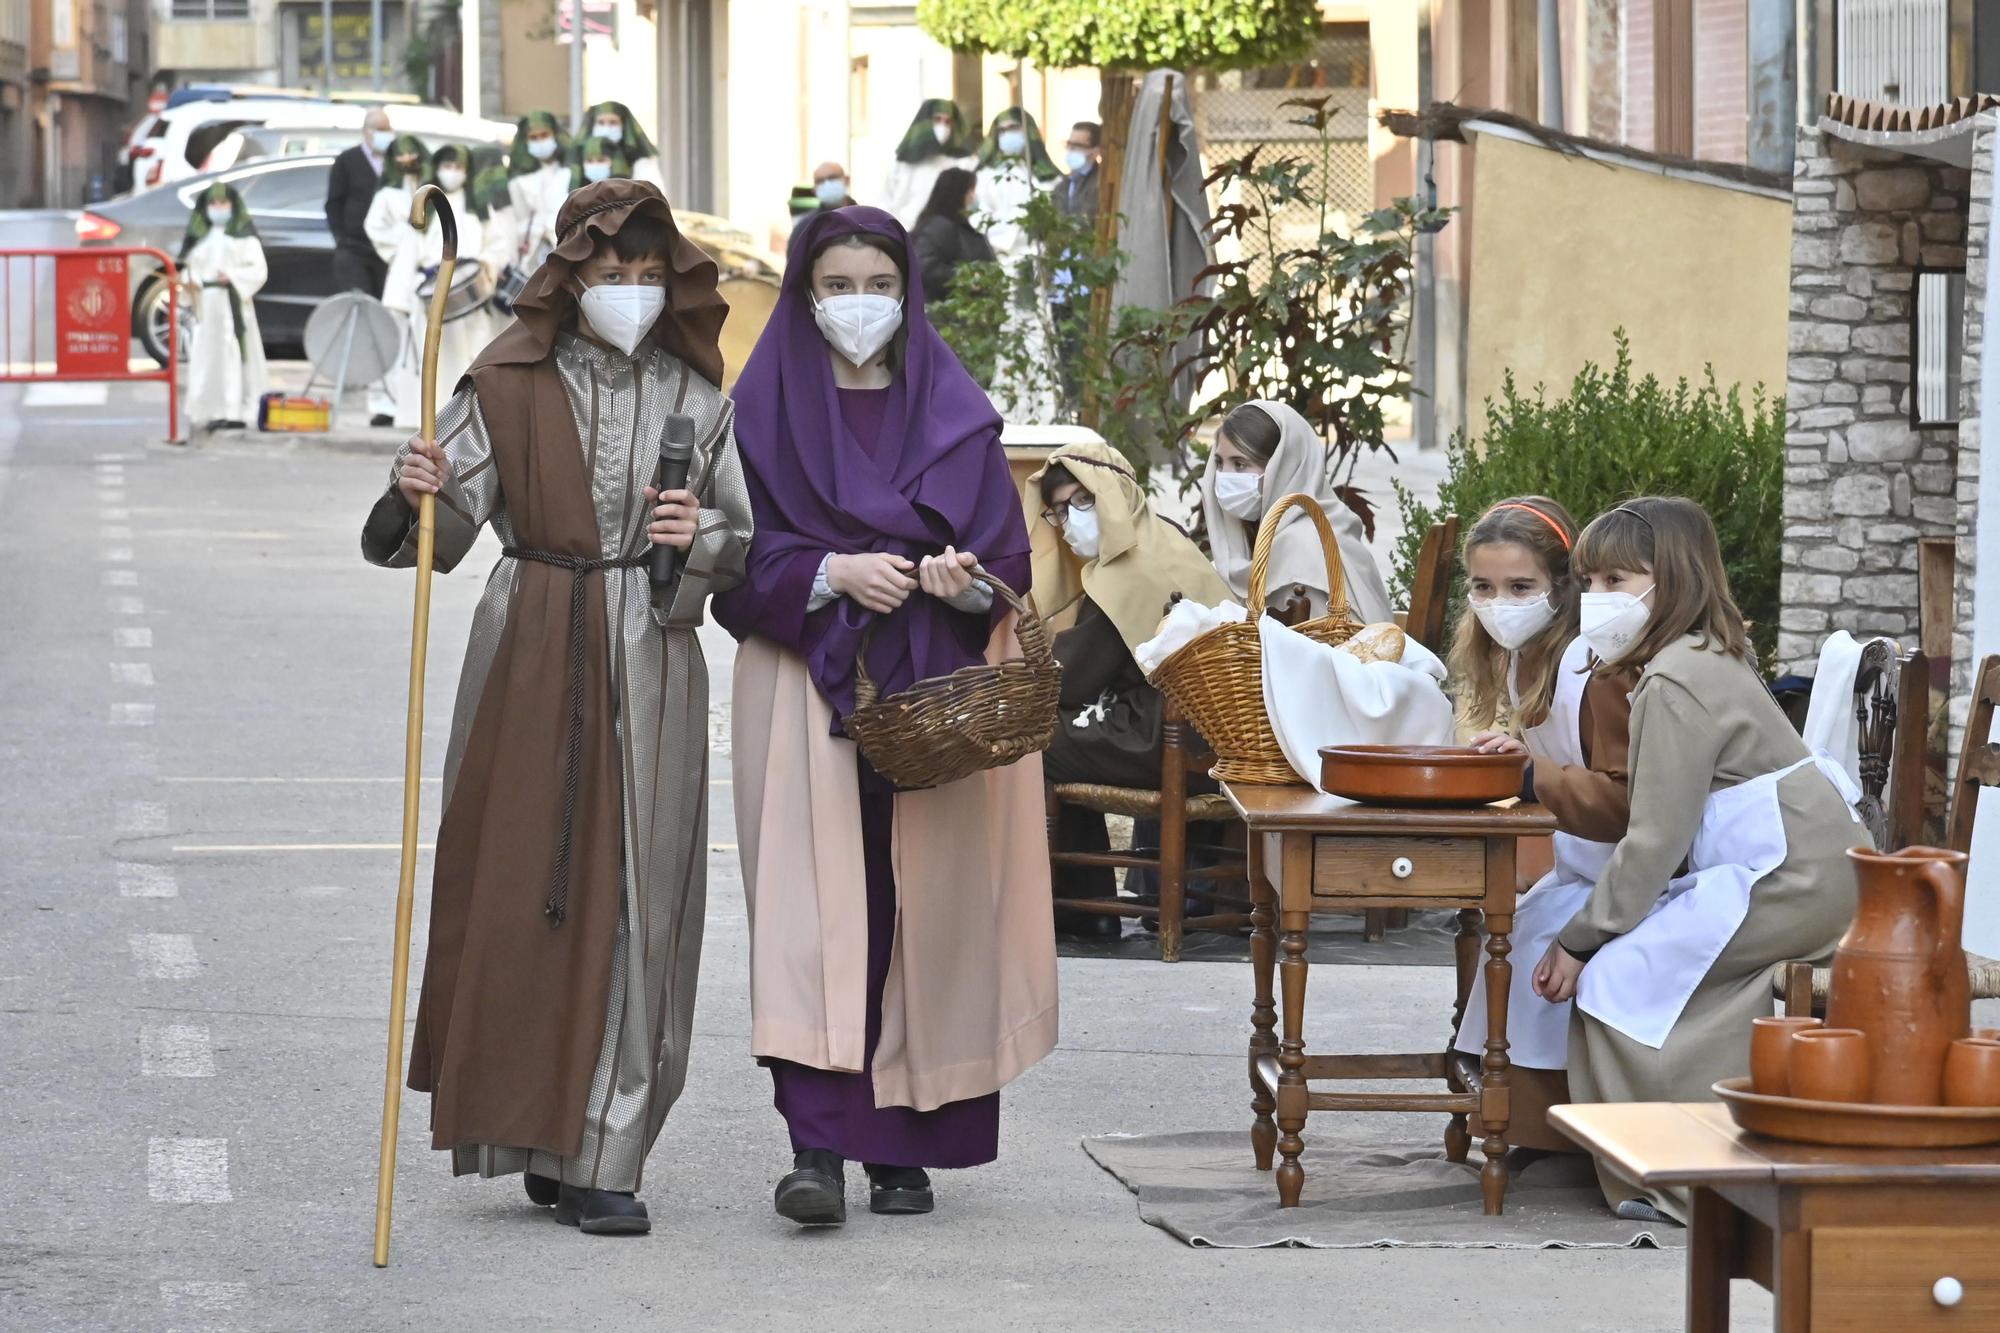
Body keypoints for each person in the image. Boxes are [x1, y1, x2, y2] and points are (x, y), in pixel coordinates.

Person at [360, 178, 752, 1237]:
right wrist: (415, 488)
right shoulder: (504, 384)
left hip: (651, 650)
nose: (626, 289)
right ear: (568, 277)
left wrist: (693, 543)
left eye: (645, 274)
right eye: (606, 272)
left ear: (670, 283)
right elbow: (443, 531)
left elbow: (737, 543)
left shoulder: (700, 400)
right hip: (528, 638)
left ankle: (608, 1148)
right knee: (522, 880)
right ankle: (537, 1131)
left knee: (640, 894)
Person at [712, 206, 1057, 1228]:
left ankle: (902, 1144)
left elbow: (1006, 568)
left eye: (875, 284)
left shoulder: (954, 411)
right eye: (835, 285)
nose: (856, 304)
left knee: (925, 911)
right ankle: (815, 1145)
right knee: (813, 917)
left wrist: (954, 585)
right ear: (802, 293)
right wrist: (825, 569)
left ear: (904, 292)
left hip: (936, 697)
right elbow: (731, 559)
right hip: (800, 683)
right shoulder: (760, 407)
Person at [1536, 497, 1863, 1222]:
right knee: (1652, 968)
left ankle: (1679, 1175)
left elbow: (1653, 840)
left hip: (1792, 880)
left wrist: (1580, 939)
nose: (1596, 600)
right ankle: (1712, 1152)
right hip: (1802, 870)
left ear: (1673, 579)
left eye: (1617, 580)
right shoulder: (1703, 656)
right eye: (1588, 582)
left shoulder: (1676, 679)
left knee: (1617, 980)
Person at [1442, 497, 1628, 1157]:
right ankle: (1523, 1120)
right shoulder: (1523, 663)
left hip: (1641, 874)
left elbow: (1626, 801)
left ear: (1563, 588)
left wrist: (1530, 774)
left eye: (1521, 587)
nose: (1500, 603)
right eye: (1484, 587)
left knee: (1536, 935)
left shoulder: (1593, 669)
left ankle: (1557, 1128)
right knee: (1521, 930)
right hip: (1586, 865)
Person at [1029, 441, 1235, 937]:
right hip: (1216, 733)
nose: (1071, 518)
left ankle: (1084, 908)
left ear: (1116, 494)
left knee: (1035, 739)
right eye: (1059, 510)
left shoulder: (1125, 569)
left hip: (1172, 736)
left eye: (1083, 500)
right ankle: (1089, 903)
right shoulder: (1164, 538)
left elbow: (1072, 679)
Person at [1199, 401, 1394, 626]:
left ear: (1283, 468)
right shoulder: (1287, 532)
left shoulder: (1304, 543)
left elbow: (1330, 646)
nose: (1224, 476)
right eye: (1219, 463)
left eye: (1240, 464)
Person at [326, 106, 395, 424]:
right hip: (354, 248)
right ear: (366, 131)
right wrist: (341, 237)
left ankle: (387, 385)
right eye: (379, 128)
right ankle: (361, 381)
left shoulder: (393, 162)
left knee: (386, 316)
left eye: (387, 128)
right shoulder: (348, 161)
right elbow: (333, 203)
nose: (384, 134)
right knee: (362, 313)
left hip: (386, 252)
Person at [179, 182, 267, 431]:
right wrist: (189, 282)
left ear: (233, 206)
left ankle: (234, 409)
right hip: (207, 306)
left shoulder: (243, 237)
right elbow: (189, 270)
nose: (219, 208)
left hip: (232, 303)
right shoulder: (200, 238)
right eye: (213, 204)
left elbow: (258, 269)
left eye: (224, 203)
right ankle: (211, 409)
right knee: (208, 356)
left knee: (233, 353)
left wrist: (232, 276)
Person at [363, 134, 431, 429]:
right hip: (402, 275)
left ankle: (418, 405)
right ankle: (385, 404)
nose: (406, 161)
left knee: (423, 343)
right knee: (394, 342)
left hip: (427, 273)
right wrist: (404, 245)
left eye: (410, 154)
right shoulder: (387, 195)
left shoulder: (432, 189)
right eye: (399, 156)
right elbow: (375, 229)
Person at [972, 107, 1060, 263]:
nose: (1007, 134)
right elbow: (977, 215)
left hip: (1036, 257)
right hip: (995, 257)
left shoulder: (1047, 175)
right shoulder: (984, 175)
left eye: (1013, 128)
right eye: (1002, 130)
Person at [880, 98, 976, 229]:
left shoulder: (964, 163)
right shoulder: (903, 164)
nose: (943, 127)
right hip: (906, 236)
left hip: (948, 237)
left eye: (948, 122)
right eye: (937, 120)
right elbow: (886, 205)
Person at [910, 167, 991, 302]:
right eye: (970, 191)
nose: (973, 197)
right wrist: (965, 279)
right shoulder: (940, 227)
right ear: (958, 194)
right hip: (945, 314)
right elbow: (924, 265)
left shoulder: (956, 227)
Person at [505, 111, 572, 263]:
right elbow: (516, 221)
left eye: (544, 135)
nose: (540, 141)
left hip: (566, 248)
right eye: (534, 138)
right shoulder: (518, 181)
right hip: (531, 257)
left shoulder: (571, 173)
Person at [584, 101, 664, 188]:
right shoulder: (578, 156)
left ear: (624, 125)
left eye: (613, 122)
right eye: (601, 122)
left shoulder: (639, 158)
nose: (606, 128)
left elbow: (652, 193)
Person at [791, 161, 857, 236]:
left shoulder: (864, 218)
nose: (827, 184)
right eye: (820, 181)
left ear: (847, 180)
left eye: (832, 178)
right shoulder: (805, 227)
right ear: (814, 190)